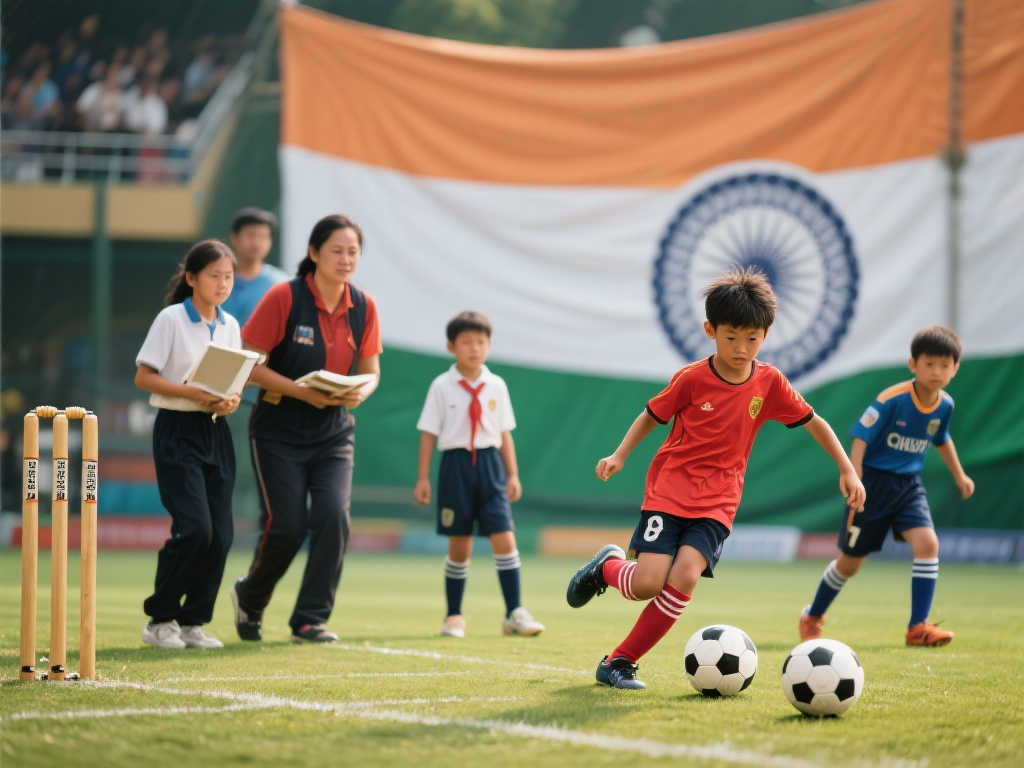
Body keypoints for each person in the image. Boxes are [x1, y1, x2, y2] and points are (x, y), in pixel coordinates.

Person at [565, 267, 866, 690]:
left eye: (752, 338)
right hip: (670, 489)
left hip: (719, 499)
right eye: (731, 338)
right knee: (648, 583)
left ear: (766, 334)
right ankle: (607, 567)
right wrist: (619, 455)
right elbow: (652, 415)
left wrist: (847, 468)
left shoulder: (770, 382)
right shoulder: (692, 378)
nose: (741, 349)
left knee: (685, 575)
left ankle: (619, 662)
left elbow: (814, 421)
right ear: (710, 330)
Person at [230, 214, 382, 643]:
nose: (346, 258)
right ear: (313, 253)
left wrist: (360, 392)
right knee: (289, 524)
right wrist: (301, 392)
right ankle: (250, 597)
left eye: (353, 251)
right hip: (278, 426)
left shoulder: (364, 306)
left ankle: (309, 619)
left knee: (334, 516)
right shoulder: (284, 297)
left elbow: (371, 371)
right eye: (336, 250)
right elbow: (250, 364)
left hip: (334, 427)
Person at [799, 325, 974, 647]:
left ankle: (917, 627)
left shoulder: (945, 405)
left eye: (945, 365)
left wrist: (959, 475)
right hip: (872, 485)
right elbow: (861, 437)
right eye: (929, 364)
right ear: (913, 365)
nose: (937, 371)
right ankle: (812, 616)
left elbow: (942, 439)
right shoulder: (891, 400)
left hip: (908, 486)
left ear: (955, 368)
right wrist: (854, 478)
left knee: (928, 545)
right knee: (849, 564)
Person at [134, 239, 242, 649]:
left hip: (216, 431)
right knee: (195, 529)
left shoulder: (230, 325)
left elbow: (229, 380)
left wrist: (230, 399)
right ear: (193, 278)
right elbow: (144, 377)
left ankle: (194, 621)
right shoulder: (171, 319)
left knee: (222, 536)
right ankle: (160, 619)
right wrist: (192, 393)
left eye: (228, 277)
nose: (222, 283)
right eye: (214, 276)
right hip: (177, 430)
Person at [414, 311, 544, 638]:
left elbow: (504, 434)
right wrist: (423, 478)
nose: (474, 348)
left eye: (481, 342)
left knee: (504, 538)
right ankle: (453, 616)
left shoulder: (496, 385)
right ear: (451, 346)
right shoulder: (441, 386)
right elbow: (428, 434)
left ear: (489, 346)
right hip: (455, 466)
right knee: (460, 544)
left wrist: (512, 474)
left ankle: (514, 612)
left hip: (490, 467)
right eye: (467, 342)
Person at [221, 207, 288, 330]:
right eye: (250, 235)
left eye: (263, 236)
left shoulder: (281, 284)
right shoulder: (216, 279)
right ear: (234, 238)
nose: (256, 243)